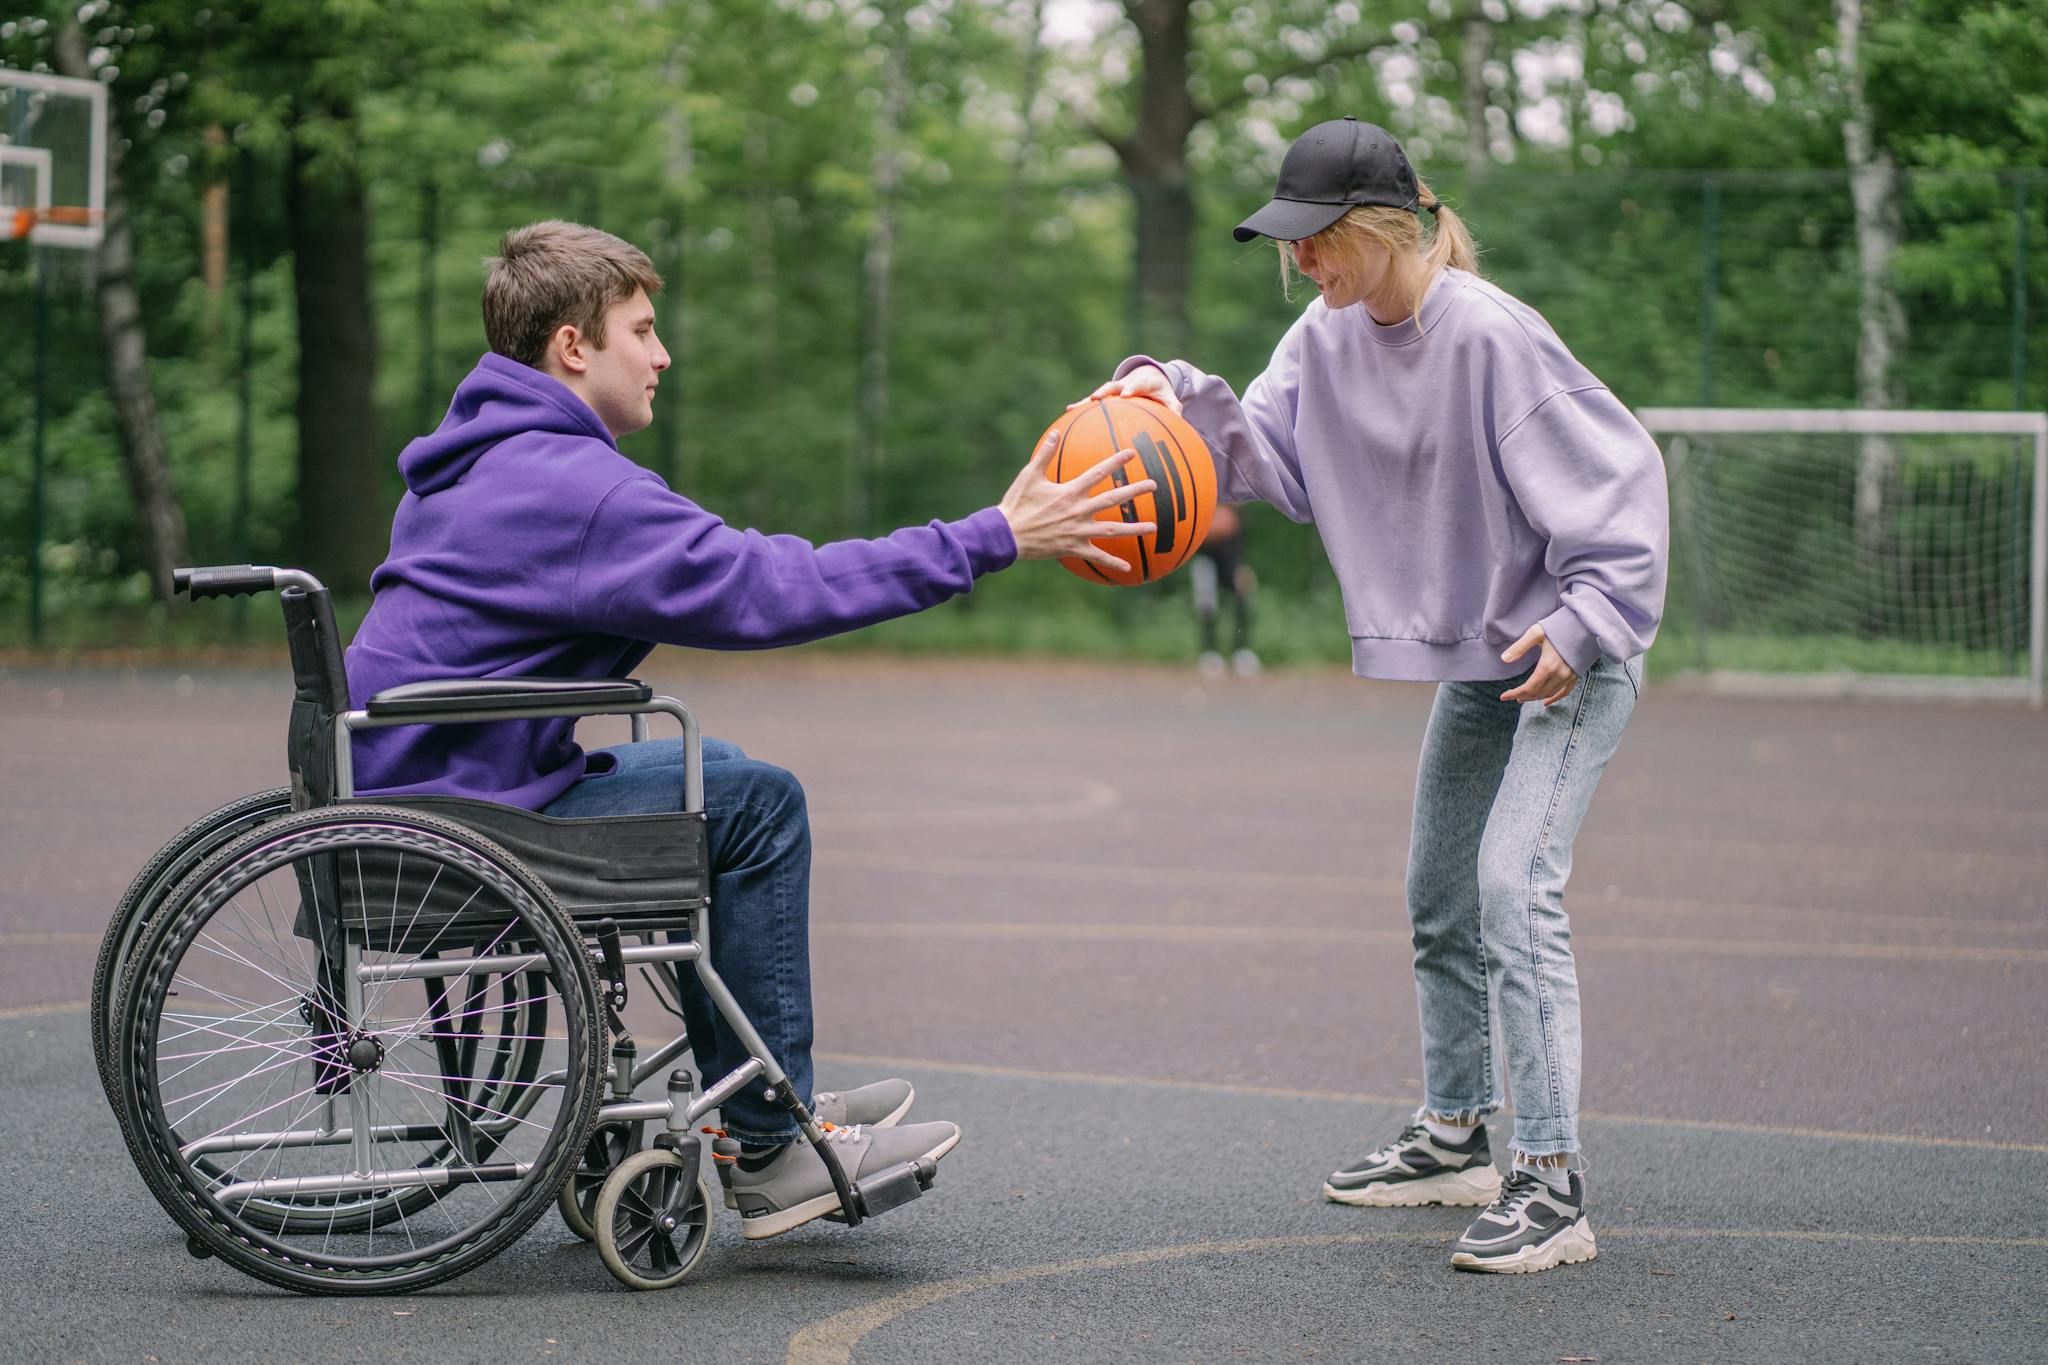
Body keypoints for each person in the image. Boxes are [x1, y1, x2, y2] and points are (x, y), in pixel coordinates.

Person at [346, 220, 1156, 1241]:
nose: (662, 354)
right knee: (756, 804)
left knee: (714, 768)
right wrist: (988, 537)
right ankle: (771, 1153)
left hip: (422, 785)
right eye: (641, 330)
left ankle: (756, 1090)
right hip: (464, 818)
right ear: (571, 347)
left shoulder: (482, 460)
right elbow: (769, 588)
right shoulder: (568, 487)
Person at [1089, 117, 1667, 1274]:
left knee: (1511, 890)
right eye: (1288, 247)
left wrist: (1586, 618)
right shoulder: (1325, 333)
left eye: (1316, 242)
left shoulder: (1491, 336)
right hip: (1482, 662)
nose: (1300, 263)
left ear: (1383, 228)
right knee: (1437, 895)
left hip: (1569, 651)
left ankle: (1550, 1184)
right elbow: (1261, 462)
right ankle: (1454, 1133)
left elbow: (1625, 485)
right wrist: (1170, 396)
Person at [1190, 502, 1258, 677]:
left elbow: (1234, 531)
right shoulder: (1203, 501)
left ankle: (1241, 651)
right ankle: (1210, 652)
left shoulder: (1239, 511)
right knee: (1207, 606)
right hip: (1206, 561)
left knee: (1242, 600)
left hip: (1232, 562)